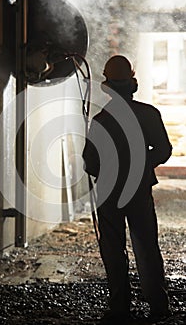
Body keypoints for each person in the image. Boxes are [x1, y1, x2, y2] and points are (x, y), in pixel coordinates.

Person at [82, 55, 172, 324]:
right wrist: (142, 166)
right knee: (146, 245)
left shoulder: (101, 121)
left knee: (112, 248)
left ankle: (120, 307)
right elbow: (164, 150)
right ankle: (158, 306)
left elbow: (89, 161)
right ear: (133, 84)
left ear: (106, 87)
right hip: (139, 189)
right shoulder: (148, 114)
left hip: (109, 192)